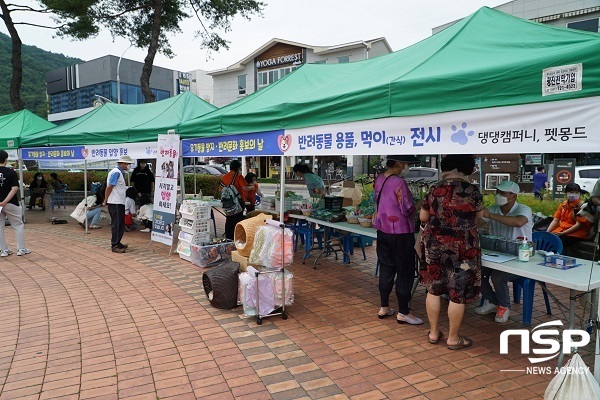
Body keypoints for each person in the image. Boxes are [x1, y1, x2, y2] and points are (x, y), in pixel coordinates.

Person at [419, 154, 483, 350]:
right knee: (458, 291)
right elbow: (479, 219)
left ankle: (433, 332)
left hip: (435, 244)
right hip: (464, 247)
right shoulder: (473, 191)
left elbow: (423, 216)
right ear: (466, 168)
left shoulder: (434, 189)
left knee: (434, 288)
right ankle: (453, 338)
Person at [373, 154, 423, 325]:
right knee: (404, 271)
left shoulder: (379, 179)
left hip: (383, 230)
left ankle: (384, 306)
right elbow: (408, 209)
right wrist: (420, 204)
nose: (406, 167)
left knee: (386, 268)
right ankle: (404, 311)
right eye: (406, 164)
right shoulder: (399, 182)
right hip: (401, 233)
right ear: (399, 163)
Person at [475, 181, 533, 323]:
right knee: (474, 270)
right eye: (497, 192)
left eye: (502, 193)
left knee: (498, 276)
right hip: (498, 254)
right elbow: (477, 224)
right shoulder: (493, 208)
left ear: (513, 196)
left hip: (520, 255)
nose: (498, 195)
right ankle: (491, 300)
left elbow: (518, 222)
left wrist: (490, 216)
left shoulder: (523, 209)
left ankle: (504, 306)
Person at [0, 150, 30, 256]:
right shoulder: (11, 172)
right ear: (6, 159)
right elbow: (14, 188)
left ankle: (3, 250)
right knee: (18, 225)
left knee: (0, 227)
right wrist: (4, 201)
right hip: (11, 203)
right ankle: (21, 249)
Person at [104, 155, 134, 253]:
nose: (129, 166)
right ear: (123, 163)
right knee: (117, 224)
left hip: (119, 201)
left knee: (120, 223)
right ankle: (115, 244)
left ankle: (118, 242)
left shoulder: (119, 173)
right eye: (128, 164)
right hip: (115, 202)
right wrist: (106, 199)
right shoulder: (116, 173)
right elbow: (109, 187)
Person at [546, 182, 591, 248]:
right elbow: (556, 220)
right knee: (548, 239)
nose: (573, 194)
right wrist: (547, 232)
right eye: (571, 192)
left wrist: (563, 233)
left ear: (579, 194)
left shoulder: (582, 206)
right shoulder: (563, 205)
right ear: (566, 193)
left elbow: (578, 225)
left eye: (576, 192)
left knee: (559, 242)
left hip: (576, 233)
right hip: (562, 230)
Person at [220, 160, 253, 239]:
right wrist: (253, 186)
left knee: (228, 220)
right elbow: (245, 188)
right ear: (238, 168)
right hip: (237, 203)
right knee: (237, 220)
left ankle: (228, 238)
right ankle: (236, 238)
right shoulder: (238, 176)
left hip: (227, 203)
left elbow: (221, 189)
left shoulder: (224, 177)